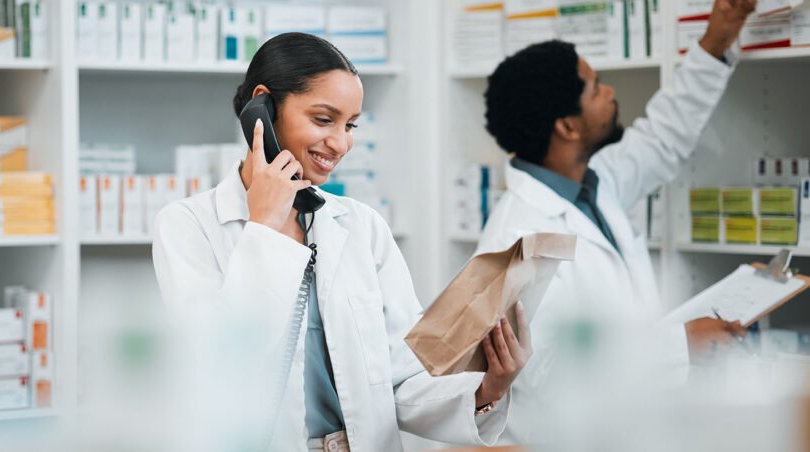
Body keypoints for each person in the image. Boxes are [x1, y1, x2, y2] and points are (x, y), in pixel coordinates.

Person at [153, 32, 529, 451]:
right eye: (323, 119)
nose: (341, 143)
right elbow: (217, 364)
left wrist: (485, 390)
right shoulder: (188, 226)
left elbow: (402, 378)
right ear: (262, 108)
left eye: (350, 125)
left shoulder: (362, 227)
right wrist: (263, 228)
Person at [475, 0, 756, 444]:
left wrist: (719, 35)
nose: (609, 93)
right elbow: (545, 372)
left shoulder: (592, 184)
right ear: (567, 127)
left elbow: (663, 137)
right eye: (595, 87)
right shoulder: (518, 238)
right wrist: (679, 347)